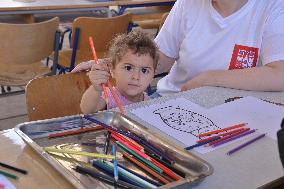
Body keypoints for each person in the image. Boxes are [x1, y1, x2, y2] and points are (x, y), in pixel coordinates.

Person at [73, 0, 284, 96]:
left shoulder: (273, 7)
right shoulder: (188, 3)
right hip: (173, 100)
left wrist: (211, 78)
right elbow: (160, 58)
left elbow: (280, 75)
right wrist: (117, 65)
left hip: (231, 113)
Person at [80, 29, 159, 114]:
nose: (136, 77)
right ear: (112, 70)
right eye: (128, 68)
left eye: (144, 70)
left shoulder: (149, 102)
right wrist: (96, 89)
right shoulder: (109, 96)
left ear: (152, 76)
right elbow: (87, 110)